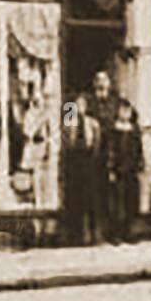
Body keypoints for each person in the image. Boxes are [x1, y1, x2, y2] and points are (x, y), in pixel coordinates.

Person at [61, 93, 102, 245]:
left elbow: (97, 143)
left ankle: (92, 233)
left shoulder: (93, 123)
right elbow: (66, 139)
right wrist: (70, 113)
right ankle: (75, 234)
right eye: (77, 105)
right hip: (74, 161)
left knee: (90, 199)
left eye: (83, 105)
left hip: (88, 161)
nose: (80, 108)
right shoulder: (70, 120)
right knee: (75, 199)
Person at [86, 70, 120, 237]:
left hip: (112, 152)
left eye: (104, 80)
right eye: (98, 80)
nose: (101, 83)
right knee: (92, 193)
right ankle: (92, 231)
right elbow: (68, 119)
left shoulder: (116, 102)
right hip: (90, 154)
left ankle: (112, 231)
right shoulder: (86, 101)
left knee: (112, 193)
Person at [107, 98, 144, 243]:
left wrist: (140, 164)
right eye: (122, 110)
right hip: (118, 170)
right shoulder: (114, 130)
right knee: (117, 202)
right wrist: (111, 168)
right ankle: (116, 233)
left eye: (127, 111)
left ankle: (129, 232)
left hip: (132, 170)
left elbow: (139, 149)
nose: (125, 113)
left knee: (131, 201)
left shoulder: (134, 130)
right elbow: (110, 151)